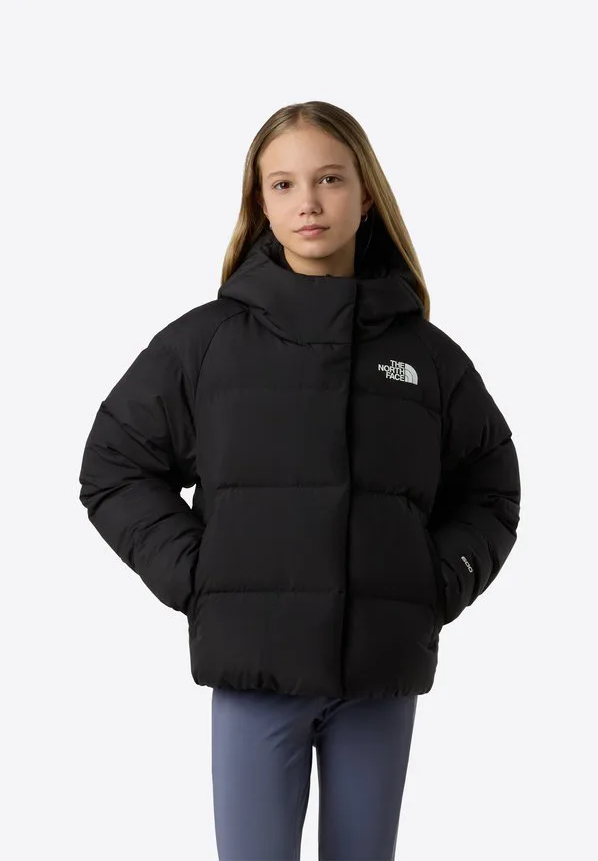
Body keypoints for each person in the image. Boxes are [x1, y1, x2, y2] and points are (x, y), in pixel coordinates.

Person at [78, 100, 521, 860]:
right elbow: (114, 465)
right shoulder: (206, 345)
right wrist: (202, 576)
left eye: (330, 179)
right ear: (260, 204)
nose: (308, 202)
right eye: (282, 185)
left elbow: (490, 485)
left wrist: (433, 581)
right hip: (255, 673)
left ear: (366, 194)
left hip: (378, 675)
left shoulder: (427, 358)